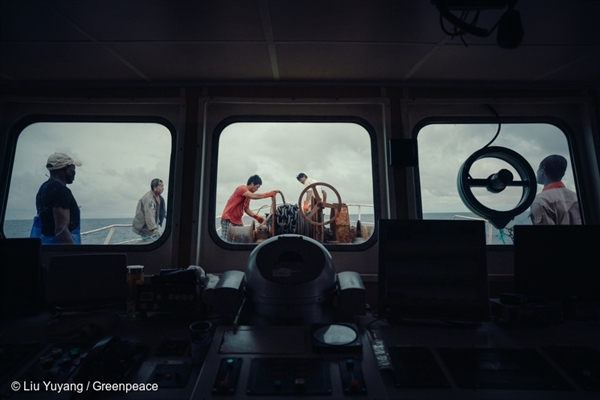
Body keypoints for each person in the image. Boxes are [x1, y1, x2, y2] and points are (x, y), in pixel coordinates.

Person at [32, 152, 82, 244]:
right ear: (66, 169)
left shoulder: (43, 188)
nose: (74, 172)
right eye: (73, 168)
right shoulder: (62, 191)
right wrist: (76, 253)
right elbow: (61, 230)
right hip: (61, 249)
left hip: (47, 246)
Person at [220, 175, 279, 241]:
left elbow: (246, 209)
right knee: (226, 240)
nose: (257, 190)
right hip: (228, 219)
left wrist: (257, 217)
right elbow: (253, 196)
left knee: (241, 239)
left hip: (237, 221)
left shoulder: (247, 196)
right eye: (257, 187)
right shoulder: (242, 189)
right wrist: (268, 194)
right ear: (252, 183)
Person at [529, 154, 581, 225]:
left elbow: (544, 234)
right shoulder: (577, 197)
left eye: (538, 169)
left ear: (542, 170)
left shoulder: (540, 200)